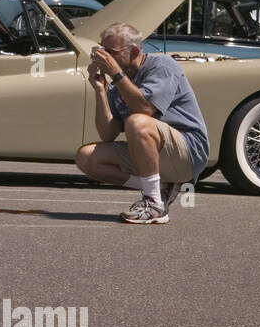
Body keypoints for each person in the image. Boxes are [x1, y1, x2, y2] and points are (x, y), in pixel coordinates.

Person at [74, 22, 210, 225]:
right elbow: (108, 134)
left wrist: (116, 74)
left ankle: (155, 204)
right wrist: (100, 90)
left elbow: (145, 109)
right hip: (154, 153)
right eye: (101, 51)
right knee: (86, 158)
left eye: (110, 52)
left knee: (137, 121)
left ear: (134, 51)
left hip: (188, 151)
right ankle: (160, 187)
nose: (104, 58)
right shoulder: (118, 83)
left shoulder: (161, 65)